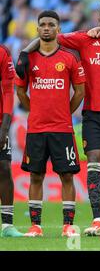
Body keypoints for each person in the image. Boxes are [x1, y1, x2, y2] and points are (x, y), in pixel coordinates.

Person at [16, 4, 100, 237]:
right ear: (98, 20)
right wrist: (24, 53)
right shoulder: (84, 40)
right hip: (92, 114)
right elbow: (49, 36)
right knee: (94, 162)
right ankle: (96, 219)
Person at [15, 10, 85, 237]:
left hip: (62, 129)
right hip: (36, 128)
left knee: (66, 176)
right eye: (43, 24)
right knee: (36, 176)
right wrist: (33, 109)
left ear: (59, 29)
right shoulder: (28, 59)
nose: (46, 28)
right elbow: (20, 89)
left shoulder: (69, 57)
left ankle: (68, 226)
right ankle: (35, 226)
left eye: (51, 24)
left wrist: (65, 112)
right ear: (37, 29)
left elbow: (80, 91)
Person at [0, 44, 23, 237]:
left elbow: (8, 90)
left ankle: (7, 225)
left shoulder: (2, 52)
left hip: (0, 122)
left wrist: (5, 127)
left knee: (4, 168)